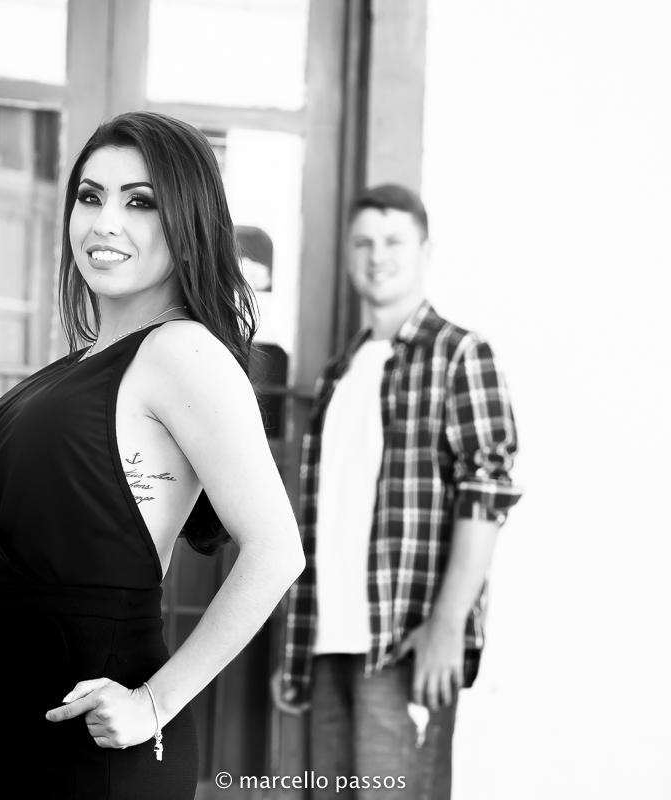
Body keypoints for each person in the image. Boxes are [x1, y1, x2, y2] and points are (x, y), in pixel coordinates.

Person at [0, 111, 305, 800]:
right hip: (16, 739)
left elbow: (277, 552)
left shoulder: (183, 352)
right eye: (91, 197)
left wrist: (154, 703)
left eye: (140, 202)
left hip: (104, 755)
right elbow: (30, 608)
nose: (105, 222)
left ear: (188, 220)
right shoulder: (79, 366)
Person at [272, 185, 520, 799]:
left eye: (393, 241)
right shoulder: (338, 374)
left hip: (404, 644)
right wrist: (296, 650)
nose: (376, 255)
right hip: (327, 645)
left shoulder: (460, 354)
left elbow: (485, 495)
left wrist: (446, 626)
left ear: (425, 250)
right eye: (363, 242)